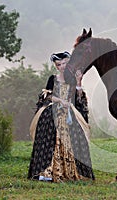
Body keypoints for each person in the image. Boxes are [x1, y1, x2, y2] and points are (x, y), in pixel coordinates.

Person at [28, 51, 95, 182]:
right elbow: (47, 96)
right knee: (49, 137)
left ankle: (71, 171)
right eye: (59, 64)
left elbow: (79, 97)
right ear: (56, 66)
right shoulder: (53, 79)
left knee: (75, 137)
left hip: (70, 111)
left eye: (65, 63)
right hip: (54, 109)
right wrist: (60, 101)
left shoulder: (72, 79)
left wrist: (79, 82)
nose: (62, 66)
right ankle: (48, 171)